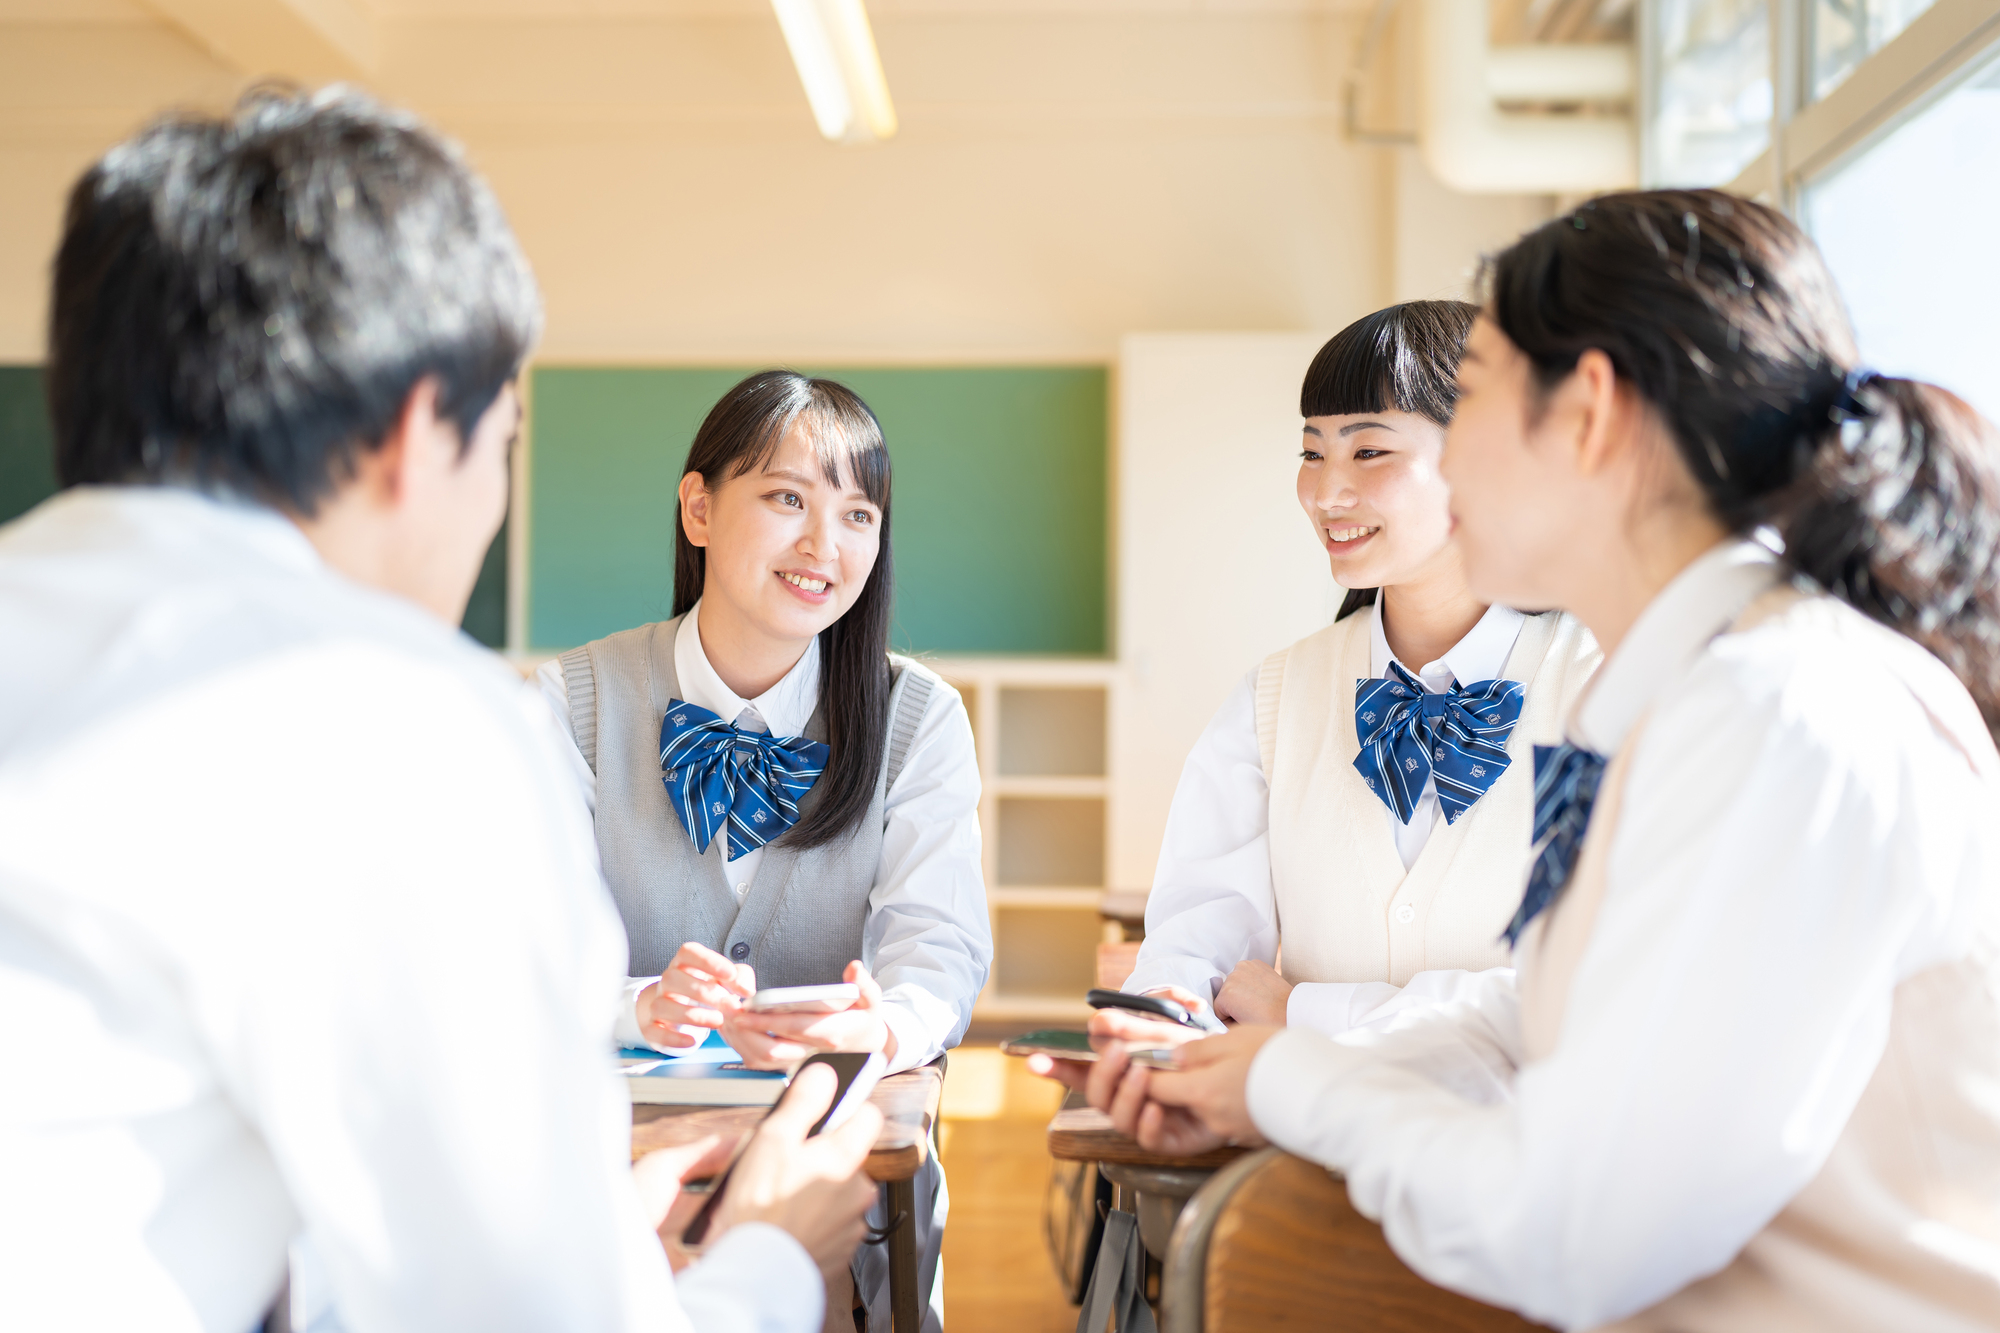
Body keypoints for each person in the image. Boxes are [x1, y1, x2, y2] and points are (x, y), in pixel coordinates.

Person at [0, 87, 880, 1333]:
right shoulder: (402, 717)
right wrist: (769, 1251)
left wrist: (582, 1221)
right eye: (505, 439)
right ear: (421, 430)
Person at [1114, 190, 2000, 1330]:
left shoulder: (1779, 713)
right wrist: (1253, 1079)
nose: (1338, 491)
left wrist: (1292, 1073)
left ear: (1585, 413)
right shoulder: (1681, 694)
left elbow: (1572, 1230)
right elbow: (1535, 1019)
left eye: (1469, 399)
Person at [535, 369, 991, 1332]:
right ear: (698, 508)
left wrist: (880, 1027)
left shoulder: (919, 718)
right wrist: (637, 1004)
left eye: (858, 513)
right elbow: (527, 957)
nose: (825, 546)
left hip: (839, 1164)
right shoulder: (570, 701)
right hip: (607, 1170)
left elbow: (938, 953)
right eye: (787, 499)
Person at [1070, 302, 1598, 1074]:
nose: (1325, 492)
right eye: (1312, 453)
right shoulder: (1276, 696)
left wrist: (1307, 1012)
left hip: (1533, 1170)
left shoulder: (1599, 684)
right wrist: (1168, 1018)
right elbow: (1198, 937)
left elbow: (1586, 996)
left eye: (1369, 452)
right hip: (1300, 1161)